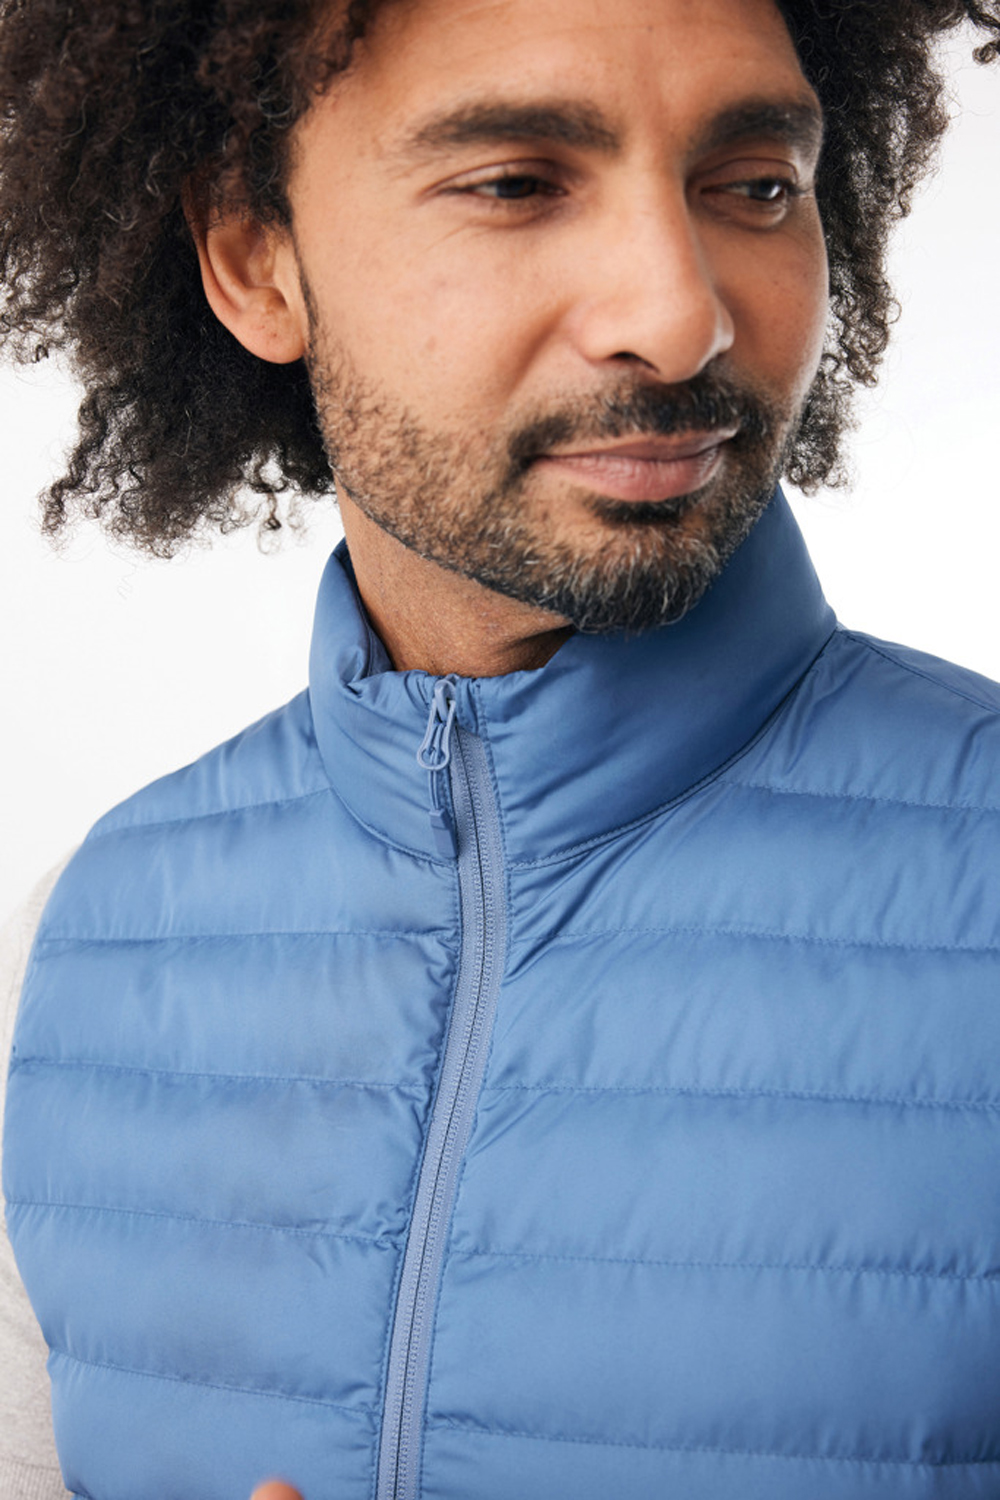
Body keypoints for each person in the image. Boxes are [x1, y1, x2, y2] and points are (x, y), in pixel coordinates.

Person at [2, 0, 1000, 1496]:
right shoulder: (81, 945)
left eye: (754, 184)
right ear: (255, 261)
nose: (682, 315)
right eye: (518, 182)